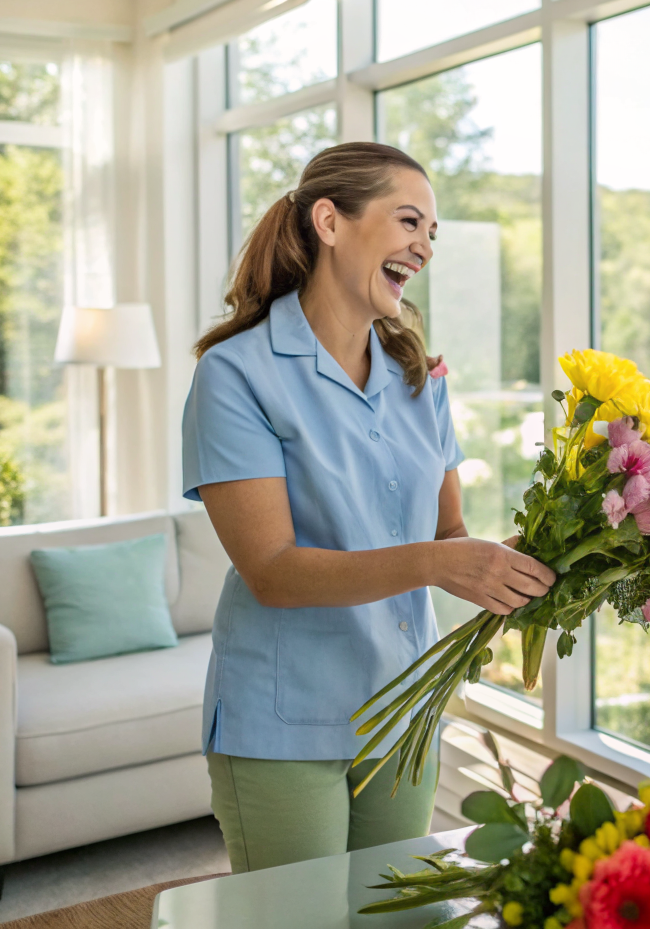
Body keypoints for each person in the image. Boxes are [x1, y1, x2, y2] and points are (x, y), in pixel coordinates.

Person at [182, 142, 555, 874]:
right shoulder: (235, 374)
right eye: (409, 222)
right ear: (329, 222)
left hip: (403, 708)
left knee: (396, 916)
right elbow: (272, 571)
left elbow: (449, 534)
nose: (424, 247)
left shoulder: (419, 377)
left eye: (432, 233)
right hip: (285, 719)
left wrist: (537, 556)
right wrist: (440, 562)